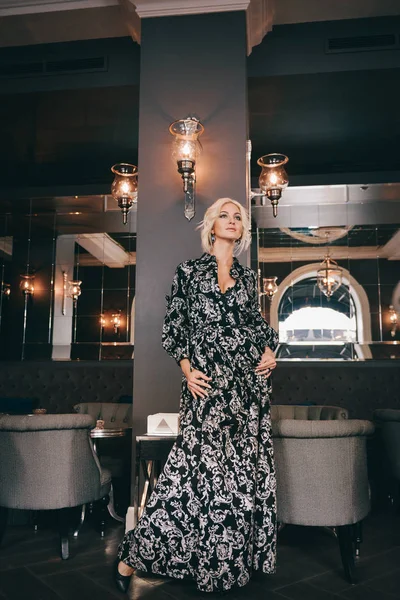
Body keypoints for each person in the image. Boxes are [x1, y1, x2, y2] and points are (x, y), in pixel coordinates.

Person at [115, 197, 278, 593]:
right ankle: (130, 559)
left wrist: (270, 350)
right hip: (205, 391)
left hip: (245, 394)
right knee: (186, 479)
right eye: (224, 214)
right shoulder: (188, 273)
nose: (232, 220)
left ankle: (224, 566)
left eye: (238, 216)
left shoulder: (247, 279)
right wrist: (188, 372)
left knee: (237, 482)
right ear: (210, 226)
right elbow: (173, 330)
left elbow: (257, 328)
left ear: (242, 230)